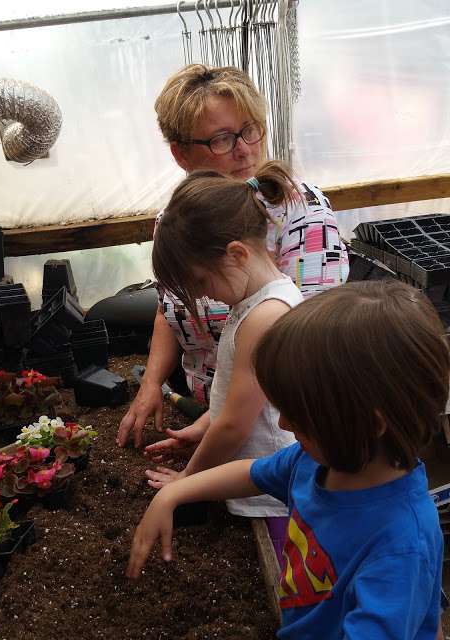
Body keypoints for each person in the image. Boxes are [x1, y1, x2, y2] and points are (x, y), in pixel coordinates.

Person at [127, 280, 449, 639]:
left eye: (299, 415)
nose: (283, 423)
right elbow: (250, 472)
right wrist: (173, 493)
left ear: (370, 424)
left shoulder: (399, 549)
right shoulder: (316, 462)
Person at [116, 63, 349, 451]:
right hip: (218, 418)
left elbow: (306, 340)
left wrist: (218, 423)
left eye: (249, 130)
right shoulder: (177, 218)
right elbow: (168, 305)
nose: (244, 149)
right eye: (222, 139)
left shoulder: (300, 213)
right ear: (181, 154)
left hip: (283, 428)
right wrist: (151, 383)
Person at [146, 161, 303, 535]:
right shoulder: (252, 302)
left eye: (200, 281)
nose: (200, 294)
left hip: (271, 495)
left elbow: (235, 425)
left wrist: (186, 481)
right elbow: (238, 401)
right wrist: (204, 425)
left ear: (236, 254)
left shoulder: (265, 316)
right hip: (253, 479)